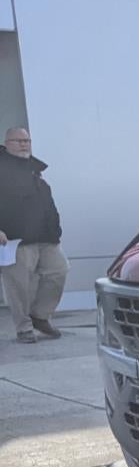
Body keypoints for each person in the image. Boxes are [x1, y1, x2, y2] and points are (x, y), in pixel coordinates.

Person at [0, 127, 68, 344]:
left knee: (59, 271)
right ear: (7, 143)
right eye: (18, 140)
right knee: (18, 285)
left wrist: (55, 228)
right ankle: (24, 329)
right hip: (14, 238)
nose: (24, 144)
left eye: (27, 140)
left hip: (46, 237)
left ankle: (39, 316)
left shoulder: (34, 169)